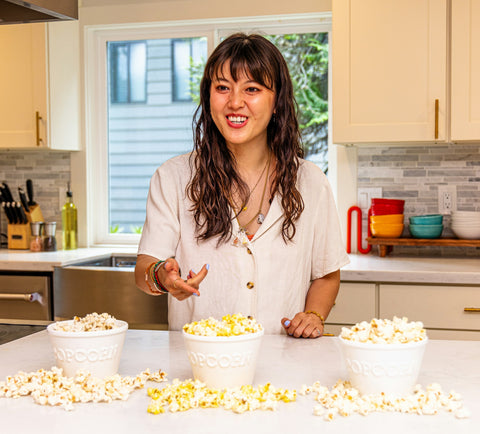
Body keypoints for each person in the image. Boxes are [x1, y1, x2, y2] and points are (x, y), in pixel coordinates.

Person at [135, 33, 349, 337]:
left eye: (252, 89)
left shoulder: (311, 181)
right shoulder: (173, 177)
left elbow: (326, 274)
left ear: (277, 102)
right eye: (223, 88)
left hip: (285, 368)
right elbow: (145, 266)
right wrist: (161, 277)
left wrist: (314, 315)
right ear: (208, 96)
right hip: (199, 368)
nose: (235, 102)